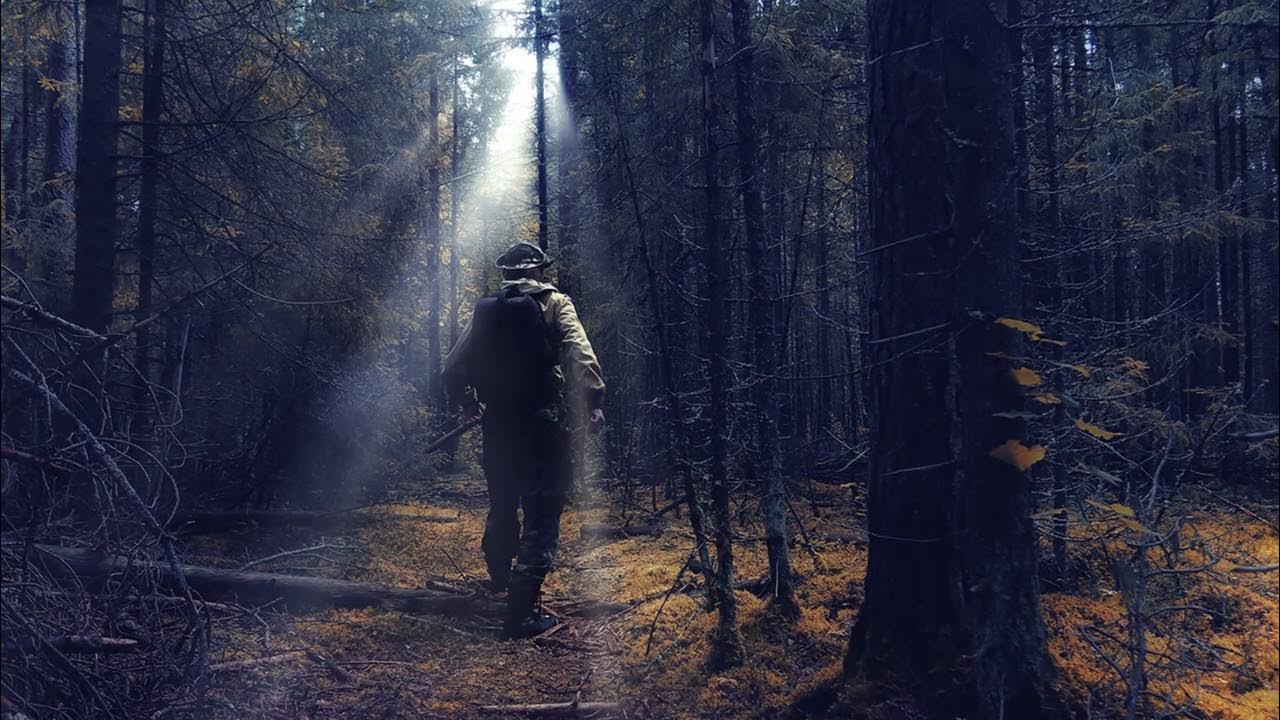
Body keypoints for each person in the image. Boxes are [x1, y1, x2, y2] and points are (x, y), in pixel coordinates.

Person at [441, 241, 606, 639]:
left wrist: (468, 404)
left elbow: (452, 367)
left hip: (497, 425)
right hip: (539, 424)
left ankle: (499, 582)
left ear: (508, 273)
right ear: (539, 272)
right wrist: (593, 401)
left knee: (502, 501)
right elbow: (579, 353)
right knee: (542, 509)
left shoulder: (488, 309)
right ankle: (519, 614)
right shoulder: (554, 303)